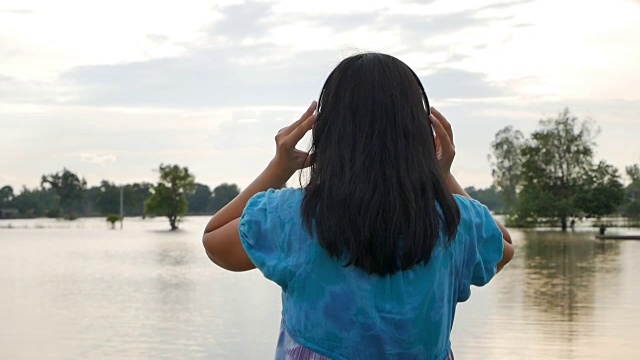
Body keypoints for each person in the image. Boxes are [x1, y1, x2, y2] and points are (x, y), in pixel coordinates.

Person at [202, 53, 514, 359]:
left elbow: (214, 240)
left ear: (326, 132)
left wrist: (278, 168)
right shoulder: (454, 223)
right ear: (421, 134)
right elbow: (503, 247)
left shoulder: (291, 217)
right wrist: (442, 176)